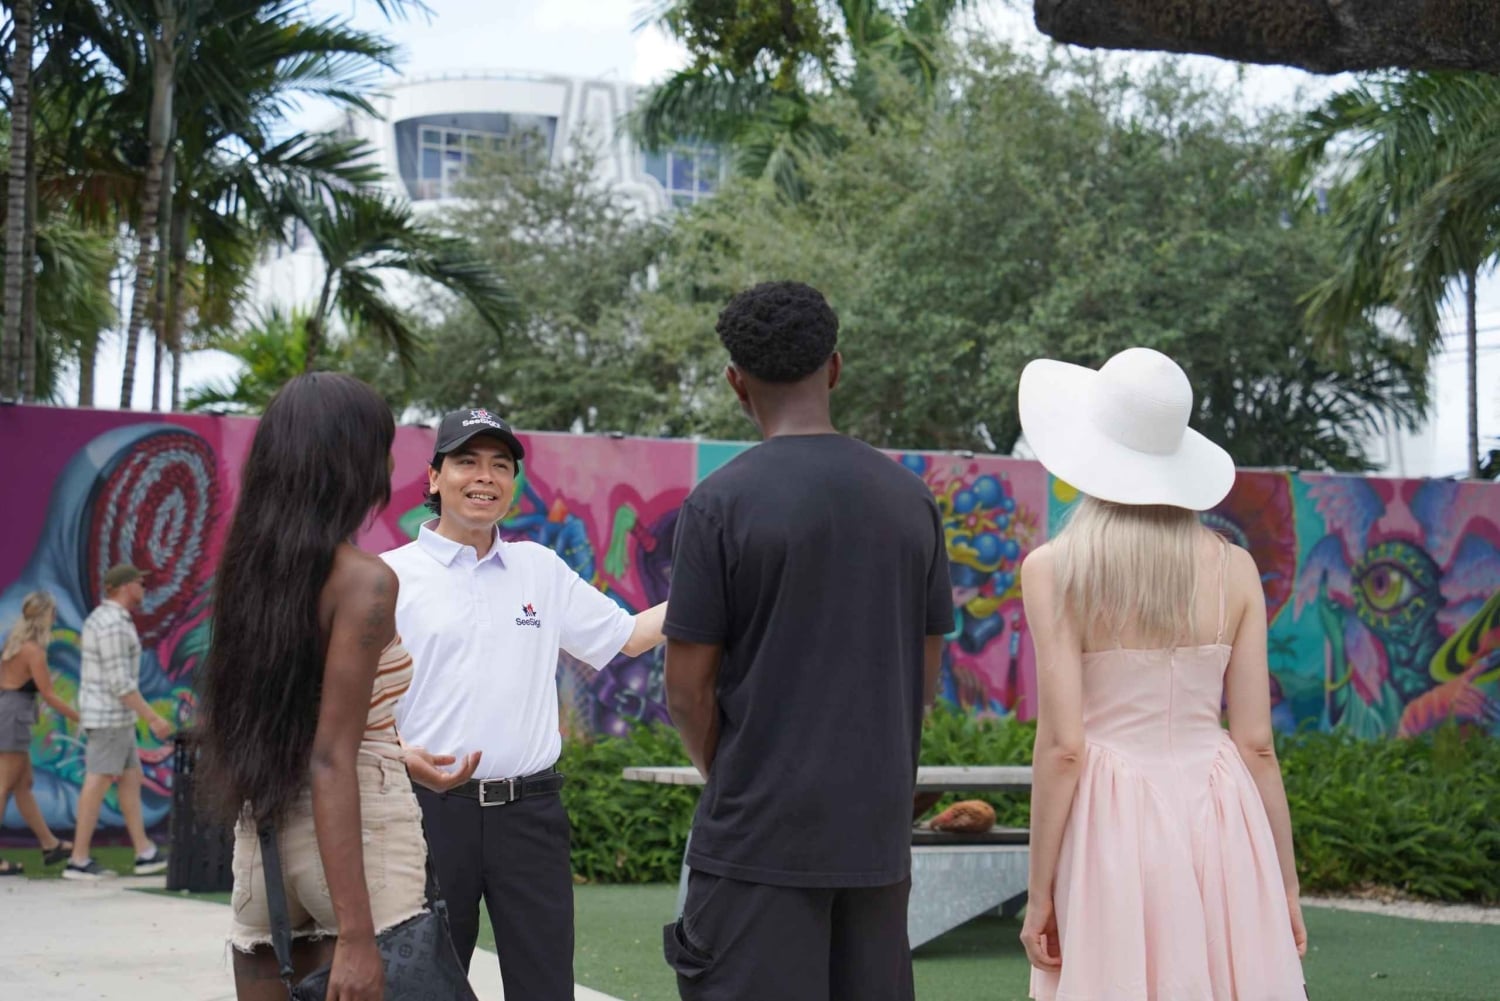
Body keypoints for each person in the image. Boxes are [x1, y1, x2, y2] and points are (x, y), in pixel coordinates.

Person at [661, 281, 954, 1001]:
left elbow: (687, 690)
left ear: (736, 382)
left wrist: (732, 772)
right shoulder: (911, 501)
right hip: (875, 842)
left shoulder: (718, 504)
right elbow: (924, 680)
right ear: (835, 367)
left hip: (755, 841)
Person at [1015, 347, 1306, 1000]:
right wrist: (1286, 885)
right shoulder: (1236, 569)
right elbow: (1257, 743)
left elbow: (1063, 748)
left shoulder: (1053, 570)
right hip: (1223, 811)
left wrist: (1039, 893)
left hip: (1111, 816)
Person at [196, 372, 473, 1001]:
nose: (389, 464)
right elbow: (331, 757)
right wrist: (355, 935)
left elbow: (293, 720)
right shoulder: (364, 581)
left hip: (264, 846)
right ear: (348, 462)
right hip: (358, 846)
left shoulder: (248, 575)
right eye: (381, 446)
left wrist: (399, 755)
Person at [381, 405, 668, 1000]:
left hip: (530, 814)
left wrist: (715, 579)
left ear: (513, 482)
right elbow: (352, 705)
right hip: (427, 814)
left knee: (545, 986)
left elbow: (630, 636)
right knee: (423, 986)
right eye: (466, 462)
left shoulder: (539, 568)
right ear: (434, 477)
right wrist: (398, 752)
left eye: (500, 465)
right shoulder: (389, 578)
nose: (484, 477)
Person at [66, 564, 174, 880]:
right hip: (109, 718)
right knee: (97, 781)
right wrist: (152, 717)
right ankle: (78, 860)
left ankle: (144, 852)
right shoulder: (113, 624)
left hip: (115, 718)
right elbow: (120, 683)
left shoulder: (104, 618)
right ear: (126, 586)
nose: (144, 589)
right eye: (140, 583)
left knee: (130, 778)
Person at [0, 591, 81, 875]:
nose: (55, 617)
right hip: (14, 715)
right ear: (45, 616)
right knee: (3, 786)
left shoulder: (15, 644)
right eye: (53, 612)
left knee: (23, 784)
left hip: (9, 711)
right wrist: (80, 718)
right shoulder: (34, 651)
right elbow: (48, 694)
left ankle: (50, 844)